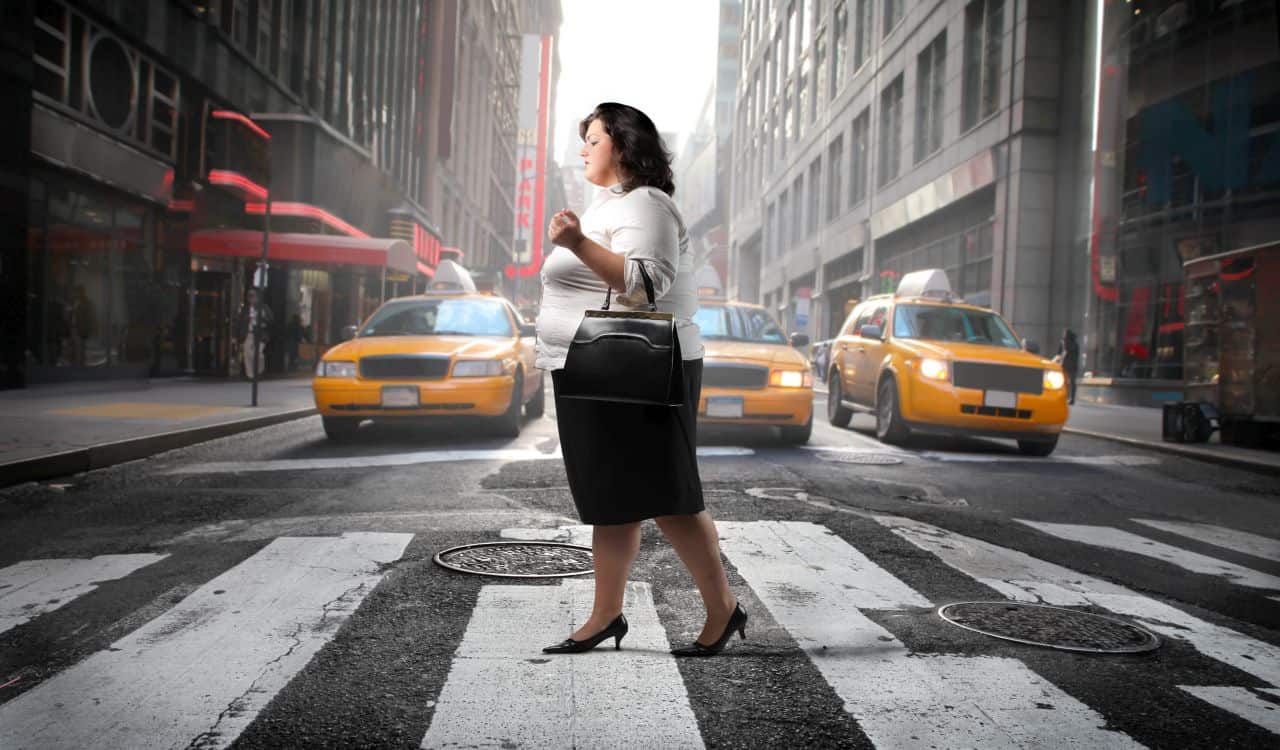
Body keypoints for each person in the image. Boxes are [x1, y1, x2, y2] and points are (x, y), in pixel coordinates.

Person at [536, 102, 746, 657]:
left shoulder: (648, 203)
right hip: (592, 368)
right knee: (612, 498)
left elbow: (644, 284)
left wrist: (578, 243)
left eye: (594, 138)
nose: (583, 148)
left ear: (624, 147)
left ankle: (723, 609)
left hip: (643, 368)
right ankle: (606, 615)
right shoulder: (609, 204)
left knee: (669, 495)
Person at [234, 288, 273, 379]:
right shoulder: (246, 309)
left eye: (254, 296)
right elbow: (239, 322)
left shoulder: (264, 308)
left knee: (258, 354)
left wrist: (261, 318)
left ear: (258, 297)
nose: (252, 299)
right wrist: (236, 335)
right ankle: (250, 375)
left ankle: (259, 370)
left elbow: (271, 320)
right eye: (250, 297)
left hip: (260, 334)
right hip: (248, 333)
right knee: (247, 352)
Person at [1057, 328, 1080, 405]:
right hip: (1065, 365)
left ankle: (1071, 398)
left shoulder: (1073, 344)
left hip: (1071, 366)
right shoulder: (1063, 343)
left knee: (1071, 382)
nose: (1064, 336)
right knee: (1065, 382)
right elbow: (1059, 354)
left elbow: (1068, 351)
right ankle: (1066, 397)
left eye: (1065, 334)